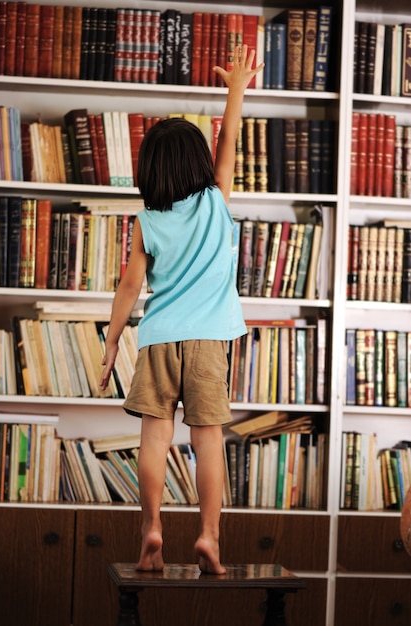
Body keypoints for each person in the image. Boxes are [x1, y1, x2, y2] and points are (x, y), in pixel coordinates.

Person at [99, 46, 264, 575]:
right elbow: (230, 140)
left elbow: (129, 288)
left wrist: (109, 344)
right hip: (209, 341)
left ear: (150, 170)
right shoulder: (217, 198)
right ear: (199, 164)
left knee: (154, 436)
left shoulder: (148, 221)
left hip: (158, 337)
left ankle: (152, 527)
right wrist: (235, 88)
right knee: (207, 439)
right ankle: (209, 536)